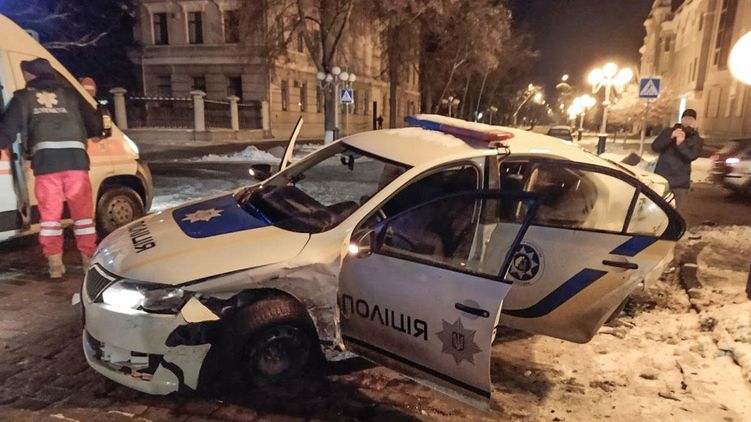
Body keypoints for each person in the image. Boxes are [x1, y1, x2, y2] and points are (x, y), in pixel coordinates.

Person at [0, 58, 102, 279]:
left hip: (46, 165)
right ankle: (88, 260)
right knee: (83, 216)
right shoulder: (71, 95)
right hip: (76, 163)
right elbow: (95, 124)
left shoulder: (22, 98)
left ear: (31, 75)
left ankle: (55, 265)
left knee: (50, 217)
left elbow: (5, 131)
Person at [651, 108, 704, 211]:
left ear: (694, 121)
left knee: (678, 212)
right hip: (662, 178)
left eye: (691, 119)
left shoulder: (696, 139)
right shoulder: (668, 131)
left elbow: (691, 156)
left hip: (680, 182)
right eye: (686, 118)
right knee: (656, 209)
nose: (688, 121)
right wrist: (670, 137)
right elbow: (655, 147)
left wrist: (680, 144)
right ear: (682, 119)